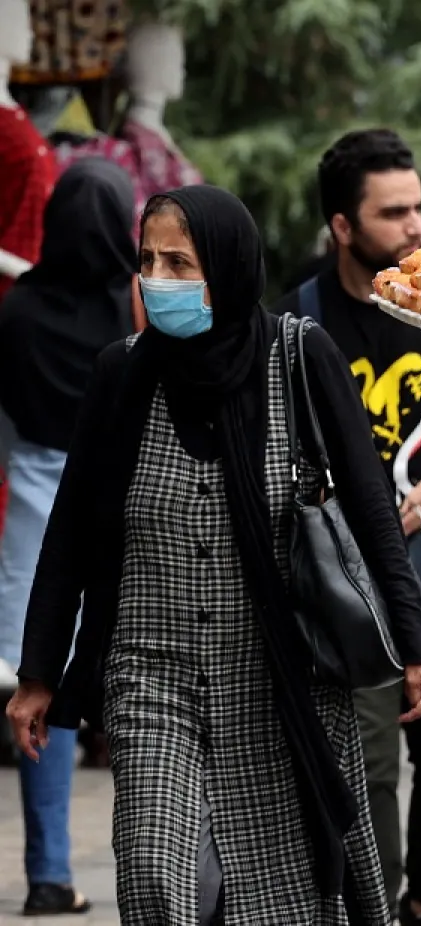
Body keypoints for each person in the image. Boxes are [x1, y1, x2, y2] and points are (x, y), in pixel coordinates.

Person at [5, 185, 421, 925]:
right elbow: (71, 533)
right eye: (148, 260)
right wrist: (39, 673)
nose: (159, 278)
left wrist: (416, 645)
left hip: (278, 676)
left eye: (181, 262)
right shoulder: (123, 372)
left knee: (279, 897)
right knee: (152, 875)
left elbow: (370, 511)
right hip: (150, 674)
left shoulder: (299, 357)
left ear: (231, 266)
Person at [274, 128, 421, 926]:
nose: (417, 226)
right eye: (392, 213)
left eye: (418, 207)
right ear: (342, 227)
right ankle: (376, 911)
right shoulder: (299, 323)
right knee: (369, 769)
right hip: (353, 592)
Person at [0, 157, 137, 917]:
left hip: (32, 507)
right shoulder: (135, 307)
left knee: (38, 690)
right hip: (123, 502)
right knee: (145, 689)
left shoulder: (17, 311)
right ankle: (159, 860)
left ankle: (49, 873)